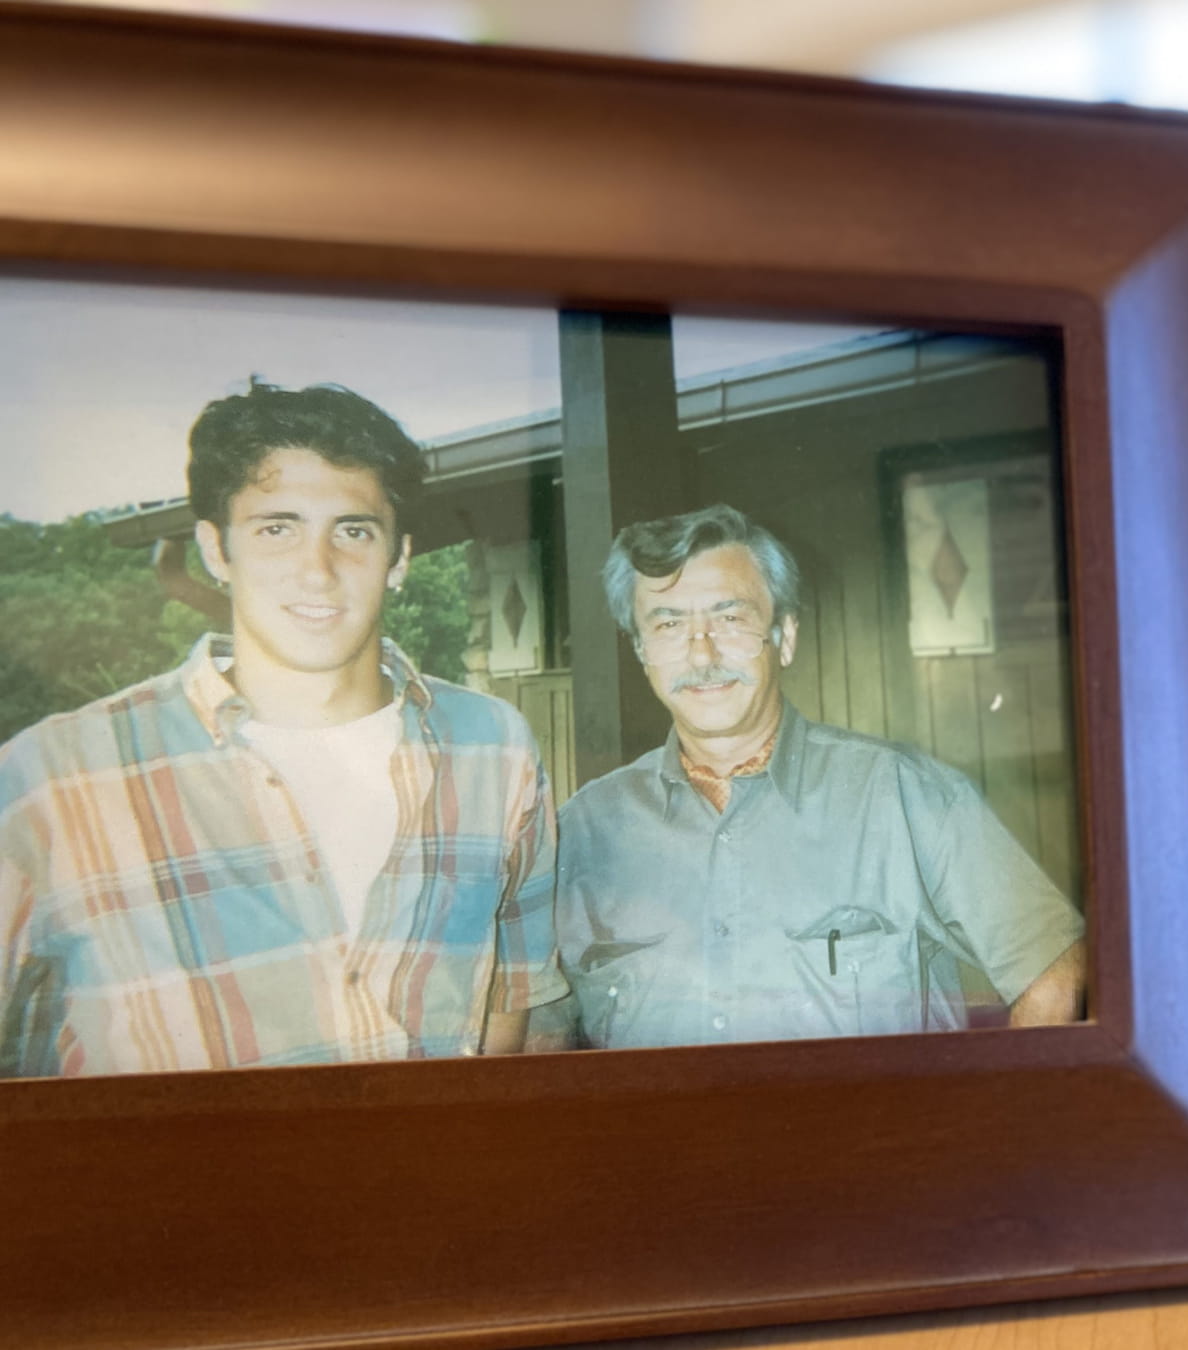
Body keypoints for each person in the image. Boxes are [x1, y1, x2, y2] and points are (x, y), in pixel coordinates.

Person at [0, 381, 570, 1077]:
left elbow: (512, 1000)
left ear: (399, 558)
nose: (317, 570)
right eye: (277, 528)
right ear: (216, 549)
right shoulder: (52, 777)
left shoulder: (494, 748)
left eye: (353, 530)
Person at [556, 504, 1085, 1048]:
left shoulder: (904, 795)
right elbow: (540, 1041)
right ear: (643, 652)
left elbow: (1054, 970)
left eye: (730, 618)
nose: (701, 652)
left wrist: (983, 1126)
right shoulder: (581, 831)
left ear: (784, 636)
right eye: (668, 624)